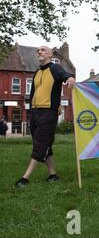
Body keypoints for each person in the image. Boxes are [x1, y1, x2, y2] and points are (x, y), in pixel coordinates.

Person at [15, 46, 76, 188]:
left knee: (40, 144)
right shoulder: (37, 72)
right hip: (35, 112)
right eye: (38, 50)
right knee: (44, 144)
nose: (39, 52)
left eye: (42, 50)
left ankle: (25, 178)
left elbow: (66, 75)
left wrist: (71, 78)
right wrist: (31, 110)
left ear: (50, 54)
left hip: (48, 113)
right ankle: (53, 175)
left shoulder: (55, 68)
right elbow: (33, 94)